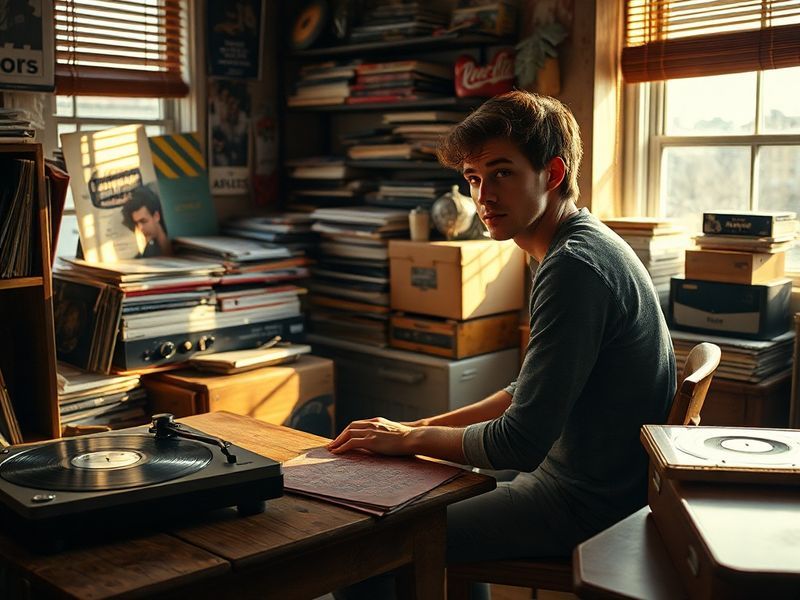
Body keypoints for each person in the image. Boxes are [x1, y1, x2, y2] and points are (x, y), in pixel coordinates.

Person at [329, 91, 676, 598]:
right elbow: (523, 393)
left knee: (363, 547)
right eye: (472, 178)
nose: (483, 195)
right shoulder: (576, 243)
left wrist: (407, 442)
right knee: (430, 487)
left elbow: (518, 443)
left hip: (585, 503)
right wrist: (417, 428)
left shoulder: (574, 266)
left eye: (502, 173)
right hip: (601, 483)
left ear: (553, 174)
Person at [121, 185, 170, 257]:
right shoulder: (147, 253)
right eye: (137, 223)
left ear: (156, 216)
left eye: (143, 221)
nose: (140, 228)